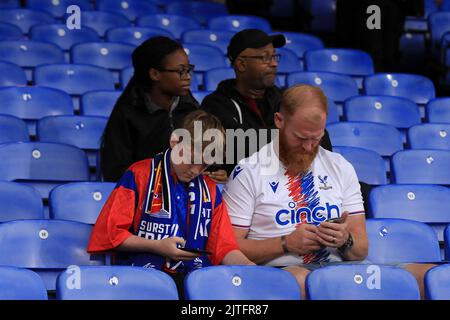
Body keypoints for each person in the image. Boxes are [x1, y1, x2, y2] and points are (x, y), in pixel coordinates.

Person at [223, 84, 435, 299]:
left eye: (316, 138)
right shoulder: (249, 171)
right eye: (300, 138)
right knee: (301, 280)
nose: (308, 147)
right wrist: (285, 243)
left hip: (343, 268)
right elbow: (229, 247)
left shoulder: (340, 166)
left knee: (425, 276)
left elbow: (360, 250)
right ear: (279, 121)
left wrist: (345, 240)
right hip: (284, 270)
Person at [89, 110, 254, 297]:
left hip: (194, 278)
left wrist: (250, 268)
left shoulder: (209, 189)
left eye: (206, 165)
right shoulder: (139, 175)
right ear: (175, 142)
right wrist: (156, 246)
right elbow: (112, 234)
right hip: (141, 276)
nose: (196, 170)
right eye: (192, 160)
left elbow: (224, 248)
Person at [201, 29, 332, 183]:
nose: (274, 63)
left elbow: (322, 138)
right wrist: (288, 136)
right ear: (242, 64)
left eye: (274, 56)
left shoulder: (285, 99)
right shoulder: (216, 104)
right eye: (265, 58)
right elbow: (233, 149)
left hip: (290, 184)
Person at [100, 36, 199, 182]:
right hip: (144, 196)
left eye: (189, 70)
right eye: (181, 71)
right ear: (155, 74)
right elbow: (116, 172)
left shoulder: (192, 109)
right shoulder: (127, 114)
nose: (188, 77)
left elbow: (206, 156)